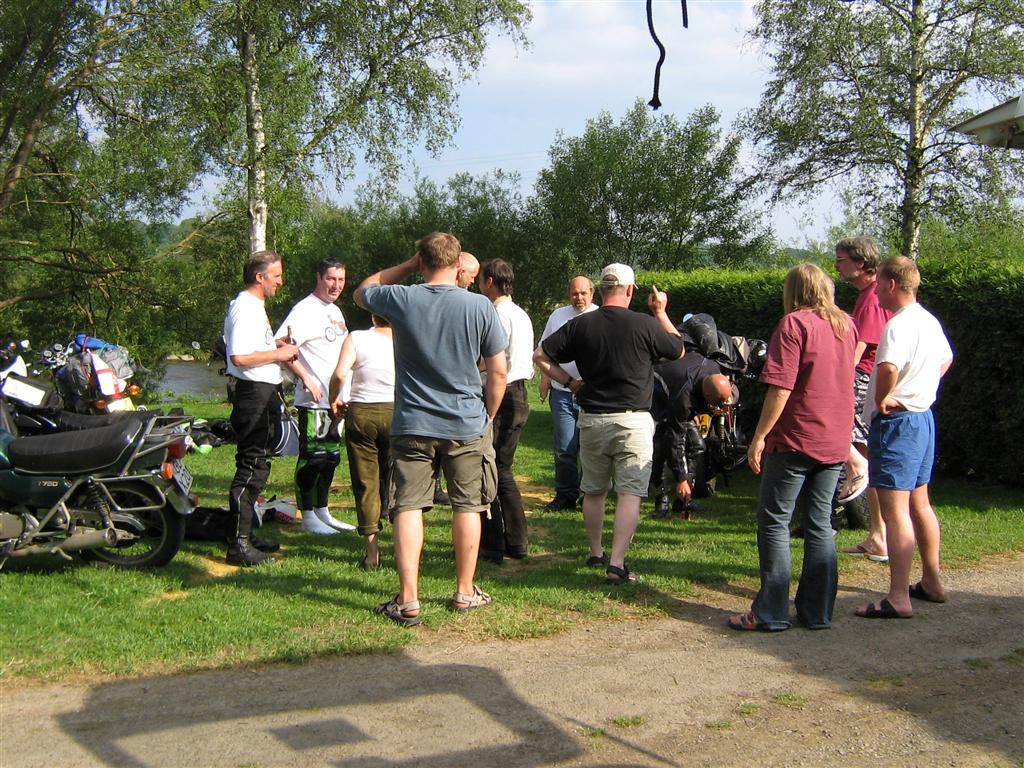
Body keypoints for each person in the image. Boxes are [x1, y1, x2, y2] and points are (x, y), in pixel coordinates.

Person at [354, 232, 508, 625]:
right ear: (458, 265)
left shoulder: (402, 298)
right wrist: (488, 415)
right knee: (468, 505)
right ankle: (464, 591)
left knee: (408, 506)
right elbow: (498, 372)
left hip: (413, 422)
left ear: (421, 262)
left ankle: (408, 599)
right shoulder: (480, 306)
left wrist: (407, 266)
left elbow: (362, 291)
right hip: (466, 422)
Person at [534, 264, 684, 585]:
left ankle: (595, 552)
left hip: (592, 418)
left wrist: (570, 383)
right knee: (629, 493)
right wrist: (660, 312)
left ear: (600, 290)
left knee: (593, 490)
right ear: (630, 290)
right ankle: (616, 564)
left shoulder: (581, 324)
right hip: (633, 420)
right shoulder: (645, 324)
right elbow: (677, 349)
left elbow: (540, 356)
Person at [729, 263, 856, 632]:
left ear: (794, 291)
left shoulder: (794, 324)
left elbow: (781, 387)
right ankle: (818, 612)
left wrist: (759, 436)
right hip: (834, 437)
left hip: (796, 436)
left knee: (775, 521)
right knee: (820, 523)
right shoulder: (846, 325)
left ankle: (770, 612)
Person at [855, 256, 953, 619]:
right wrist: (922, 385)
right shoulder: (929, 321)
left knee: (895, 512)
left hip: (898, 423)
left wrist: (883, 398)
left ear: (892, 284)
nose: (876, 291)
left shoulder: (897, 325)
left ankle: (898, 597)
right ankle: (931, 581)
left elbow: (888, 367)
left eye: (879, 284)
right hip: (923, 418)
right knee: (920, 503)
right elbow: (946, 360)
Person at [223, 250, 299, 566]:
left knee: (259, 465)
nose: (280, 281)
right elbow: (239, 357)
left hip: (263, 393)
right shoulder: (245, 308)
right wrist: (279, 355)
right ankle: (238, 545)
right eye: (276, 275)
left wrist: (274, 346)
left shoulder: (254, 307)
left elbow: (251, 350)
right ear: (260, 277)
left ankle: (246, 534)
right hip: (252, 395)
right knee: (251, 466)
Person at [276, 258, 353, 535]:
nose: (336, 285)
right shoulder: (305, 309)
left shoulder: (335, 311)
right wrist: (305, 376)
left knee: (331, 458)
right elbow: (280, 343)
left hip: (337, 401)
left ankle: (323, 511)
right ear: (319, 278)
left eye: (341, 280)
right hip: (314, 400)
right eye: (331, 279)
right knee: (313, 457)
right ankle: (307, 515)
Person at [834, 236, 893, 561]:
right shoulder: (868, 295)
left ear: (860, 262)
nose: (837, 266)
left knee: (828, 423)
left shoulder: (871, 299)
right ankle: (878, 537)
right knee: (870, 453)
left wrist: (834, 378)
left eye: (841, 259)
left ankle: (856, 468)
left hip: (862, 377)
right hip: (871, 378)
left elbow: (859, 349)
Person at [477, 258, 534, 563]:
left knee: (492, 467)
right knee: (501, 467)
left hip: (502, 391)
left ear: (490, 281)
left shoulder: (496, 314)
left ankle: (494, 543)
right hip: (519, 391)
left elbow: (490, 359)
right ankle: (515, 540)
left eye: (480, 280)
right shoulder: (521, 314)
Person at [329, 315, 395, 570]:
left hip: (362, 412)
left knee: (366, 482)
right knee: (401, 482)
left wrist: (333, 398)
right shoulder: (408, 338)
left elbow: (339, 374)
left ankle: (372, 553)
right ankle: (406, 549)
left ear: (372, 315)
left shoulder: (356, 338)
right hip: (397, 411)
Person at [538, 276, 597, 511]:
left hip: (592, 394)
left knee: (591, 450)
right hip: (562, 392)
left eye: (583, 293)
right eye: (574, 293)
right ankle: (565, 496)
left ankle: (589, 495)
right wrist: (546, 379)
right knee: (564, 448)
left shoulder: (600, 316)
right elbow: (544, 351)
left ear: (592, 293)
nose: (578, 297)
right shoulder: (558, 316)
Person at [650, 352, 734, 519]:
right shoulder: (683, 398)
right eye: (717, 403)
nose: (719, 407)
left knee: (697, 445)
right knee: (661, 449)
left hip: (680, 395)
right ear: (707, 396)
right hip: (656, 398)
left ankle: (684, 499)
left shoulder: (714, 368)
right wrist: (680, 478)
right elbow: (675, 440)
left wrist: (696, 411)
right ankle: (661, 500)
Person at [431, 249, 482, 507]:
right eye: (471, 276)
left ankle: (437, 487)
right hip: (450, 394)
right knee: (467, 501)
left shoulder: (470, 304)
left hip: (449, 396)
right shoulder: (472, 305)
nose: (473, 281)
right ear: (459, 271)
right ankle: (436, 487)